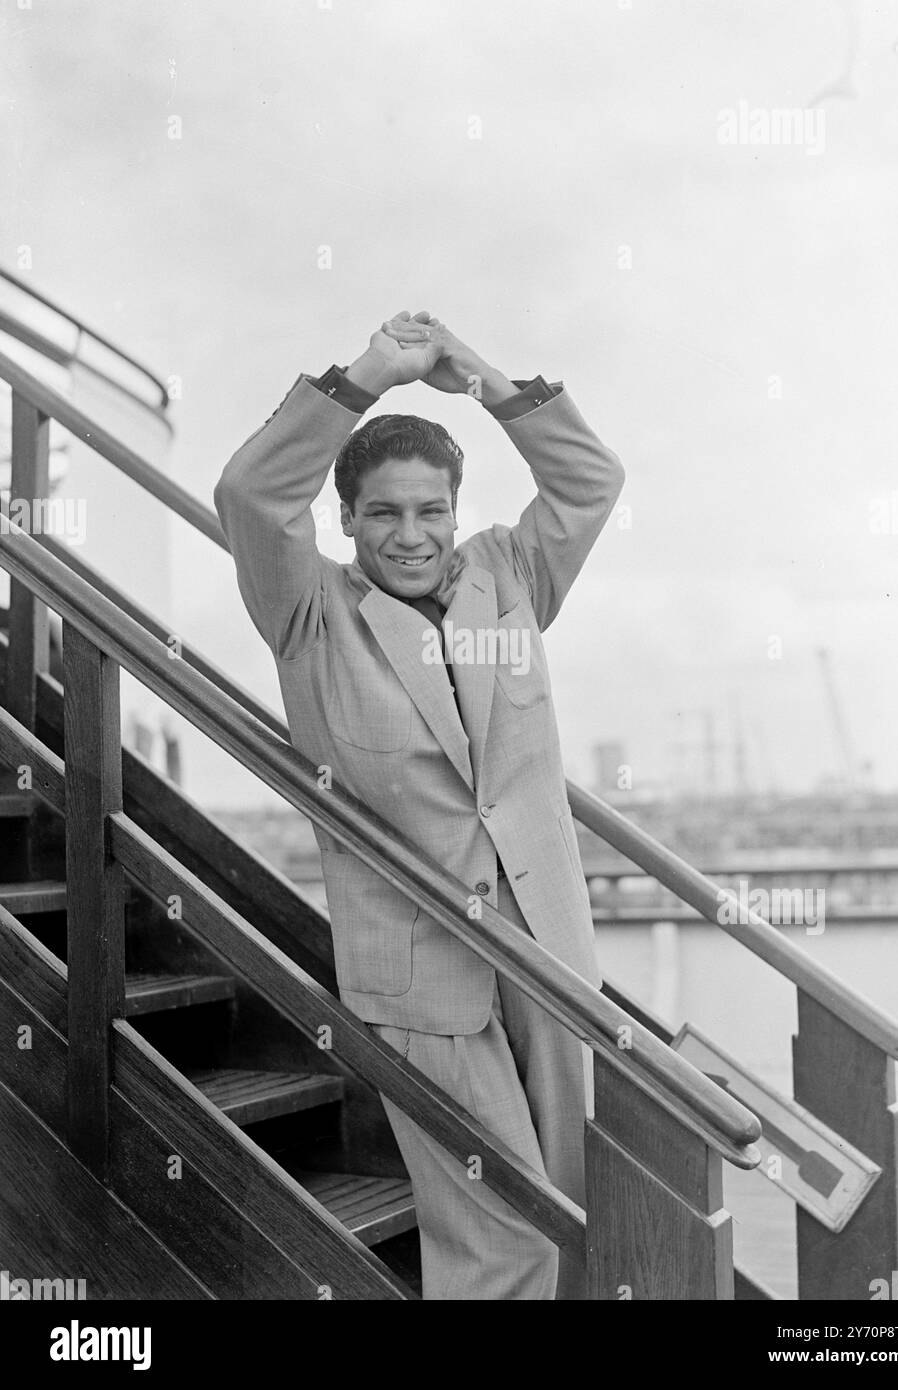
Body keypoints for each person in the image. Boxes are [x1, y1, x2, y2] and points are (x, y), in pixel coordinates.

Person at [214, 311, 625, 1299]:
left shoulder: (507, 575)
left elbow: (589, 480)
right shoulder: (309, 615)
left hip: (547, 948)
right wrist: (367, 376)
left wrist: (477, 377)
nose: (411, 535)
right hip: (421, 972)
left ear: (453, 511)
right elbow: (248, 491)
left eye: (429, 511)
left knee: (570, 1202)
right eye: (384, 513)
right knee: (496, 1231)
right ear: (346, 522)